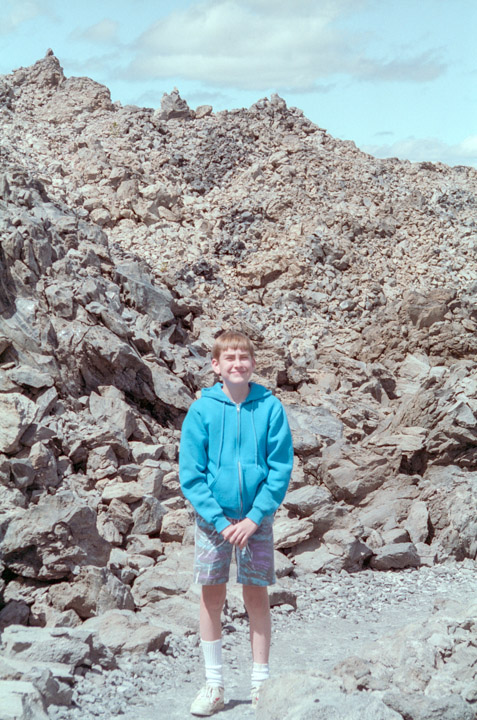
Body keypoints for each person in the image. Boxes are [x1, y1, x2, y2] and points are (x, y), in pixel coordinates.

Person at [179, 330, 294, 716]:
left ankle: (261, 685)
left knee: (256, 595)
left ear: (253, 364)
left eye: (243, 357)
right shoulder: (203, 410)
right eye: (228, 358)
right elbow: (191, 475)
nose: (237, 364)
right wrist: (219, 519)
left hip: (256, 519)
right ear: (216, 366)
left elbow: (279, 469)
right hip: (214, 521)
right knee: (211, 596)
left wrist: (255, 517)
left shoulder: (270, 407)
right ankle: (214, 685)